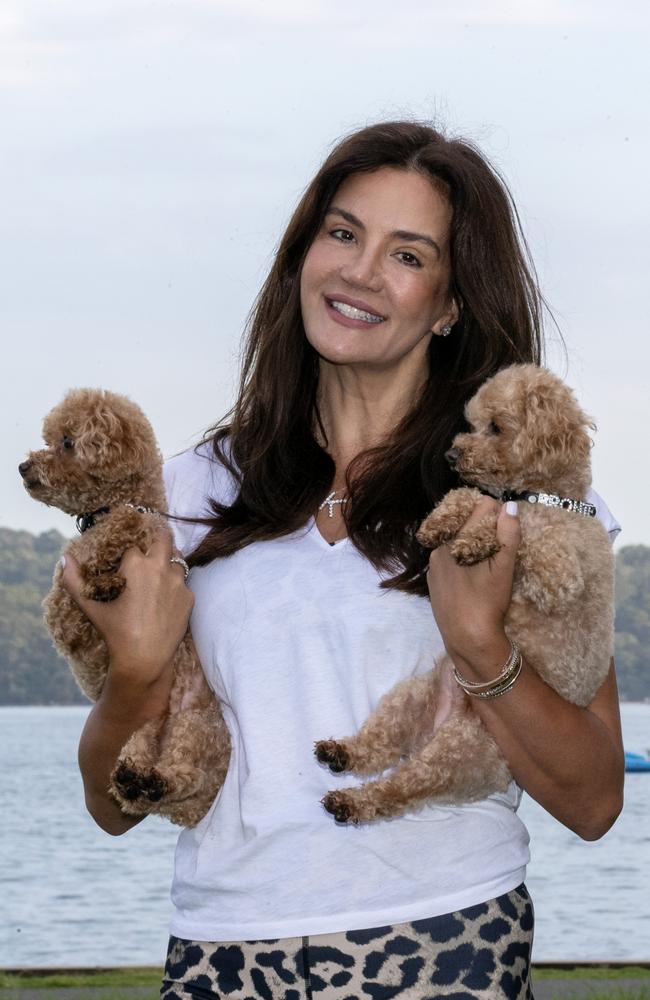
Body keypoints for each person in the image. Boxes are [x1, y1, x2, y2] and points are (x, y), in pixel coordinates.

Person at [63, 122, 624, 999]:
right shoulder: (188, 489)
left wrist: (480, 648)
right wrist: (135, 671)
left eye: (408, 254)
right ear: (301, 255)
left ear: (450, 303)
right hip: (221, 943)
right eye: (342, 233)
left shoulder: (522, 495)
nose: (360, 272)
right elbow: (110, 809)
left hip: (447, 937)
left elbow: (594, 801)